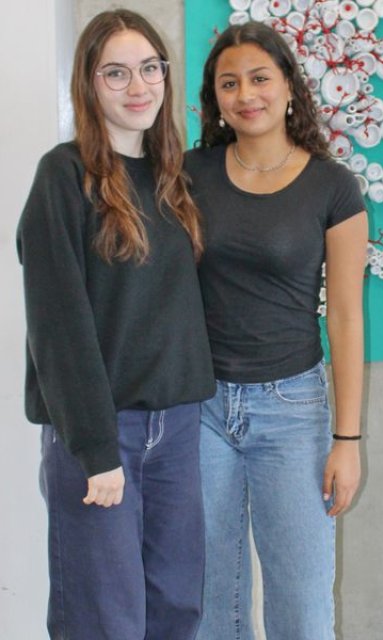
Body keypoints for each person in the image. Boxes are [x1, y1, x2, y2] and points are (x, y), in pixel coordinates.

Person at [17, 10, 215, 639]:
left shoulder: (174, 179)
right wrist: (97, 450)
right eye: (116, 73)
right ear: (88, 82)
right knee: (105, 619)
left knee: (176, 609)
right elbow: (58, 326)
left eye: (150, 68)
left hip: (176, 430)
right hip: (102, 433)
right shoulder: (63, 176)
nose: (138, 86)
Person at [185, 21, 368, 640]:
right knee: (210, 599)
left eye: (260, 78)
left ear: (289, 85)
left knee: (302, 605)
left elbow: (346, 316)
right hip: (200, 408)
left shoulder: (333, 187)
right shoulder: (187, 174)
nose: (246, 94)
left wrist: (347, 440)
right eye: (229, 83)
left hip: (291, 411)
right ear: (215, 98)